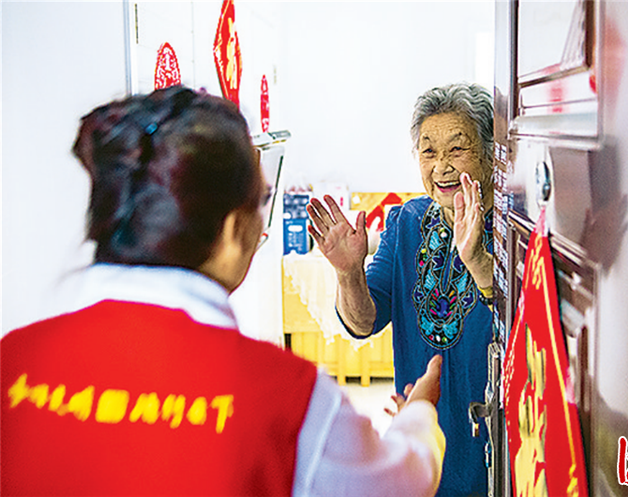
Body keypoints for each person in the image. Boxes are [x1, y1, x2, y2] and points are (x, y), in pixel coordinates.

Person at [0, 86, 446, 497]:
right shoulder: (289, 398)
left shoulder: (13, 357)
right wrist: (420, 415)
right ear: (235, 230)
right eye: (260, 204)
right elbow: (402, 482)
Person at [307, 83, 494, 496]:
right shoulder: (407, 222)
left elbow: (523, 323)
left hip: (495, 444)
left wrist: (478, 260)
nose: (441, 166)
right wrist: (348, 272)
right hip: (422, 433)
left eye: (456, 149)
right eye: (428, 151)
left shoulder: (513, 228)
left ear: (489, 153)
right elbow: (362, 322)